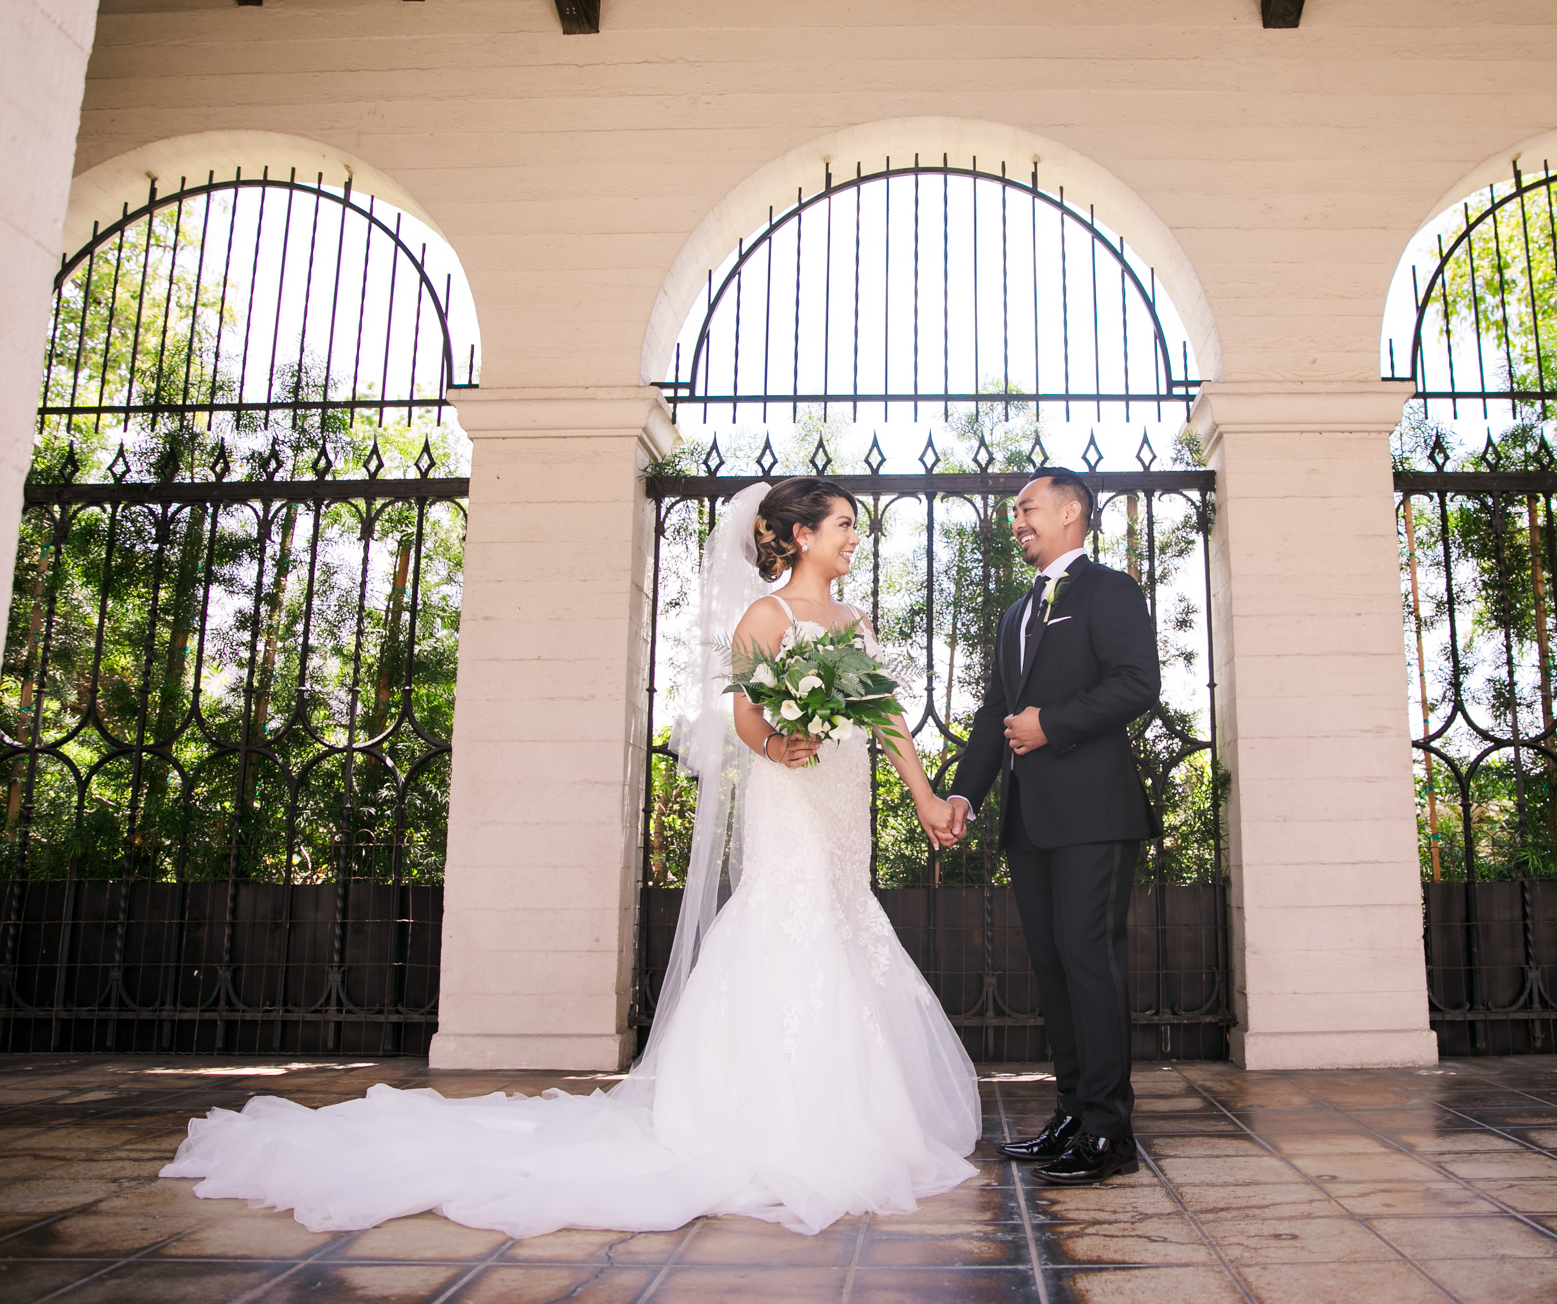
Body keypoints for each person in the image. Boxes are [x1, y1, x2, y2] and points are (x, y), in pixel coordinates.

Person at [159, 479, 983, 1237]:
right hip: (789, 791)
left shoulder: (856, 624)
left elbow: (888, 719)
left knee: (845, 920)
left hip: (841, 803)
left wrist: (921, 796)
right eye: (843, 526)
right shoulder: (765, 620)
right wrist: (780, 741)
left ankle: (850, 1116)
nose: (853, 540)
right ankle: (770, 1122)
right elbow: (741, 716)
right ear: (801, 535)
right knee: (789, 922)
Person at [947, 467, 1161, 1186]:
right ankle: (1073, 1111)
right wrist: (964, 797)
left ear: (1072, 513)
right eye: (1016, 511)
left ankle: (1110, 1130)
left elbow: (1137, 682)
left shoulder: (1110, 590)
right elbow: (994, 714)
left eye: (1027, 507)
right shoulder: (1015, 613)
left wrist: (1052, 724)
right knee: (1055, 965)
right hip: (1028, 819)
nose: (1018, 520)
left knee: (1089, 958)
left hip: (1095, 813)